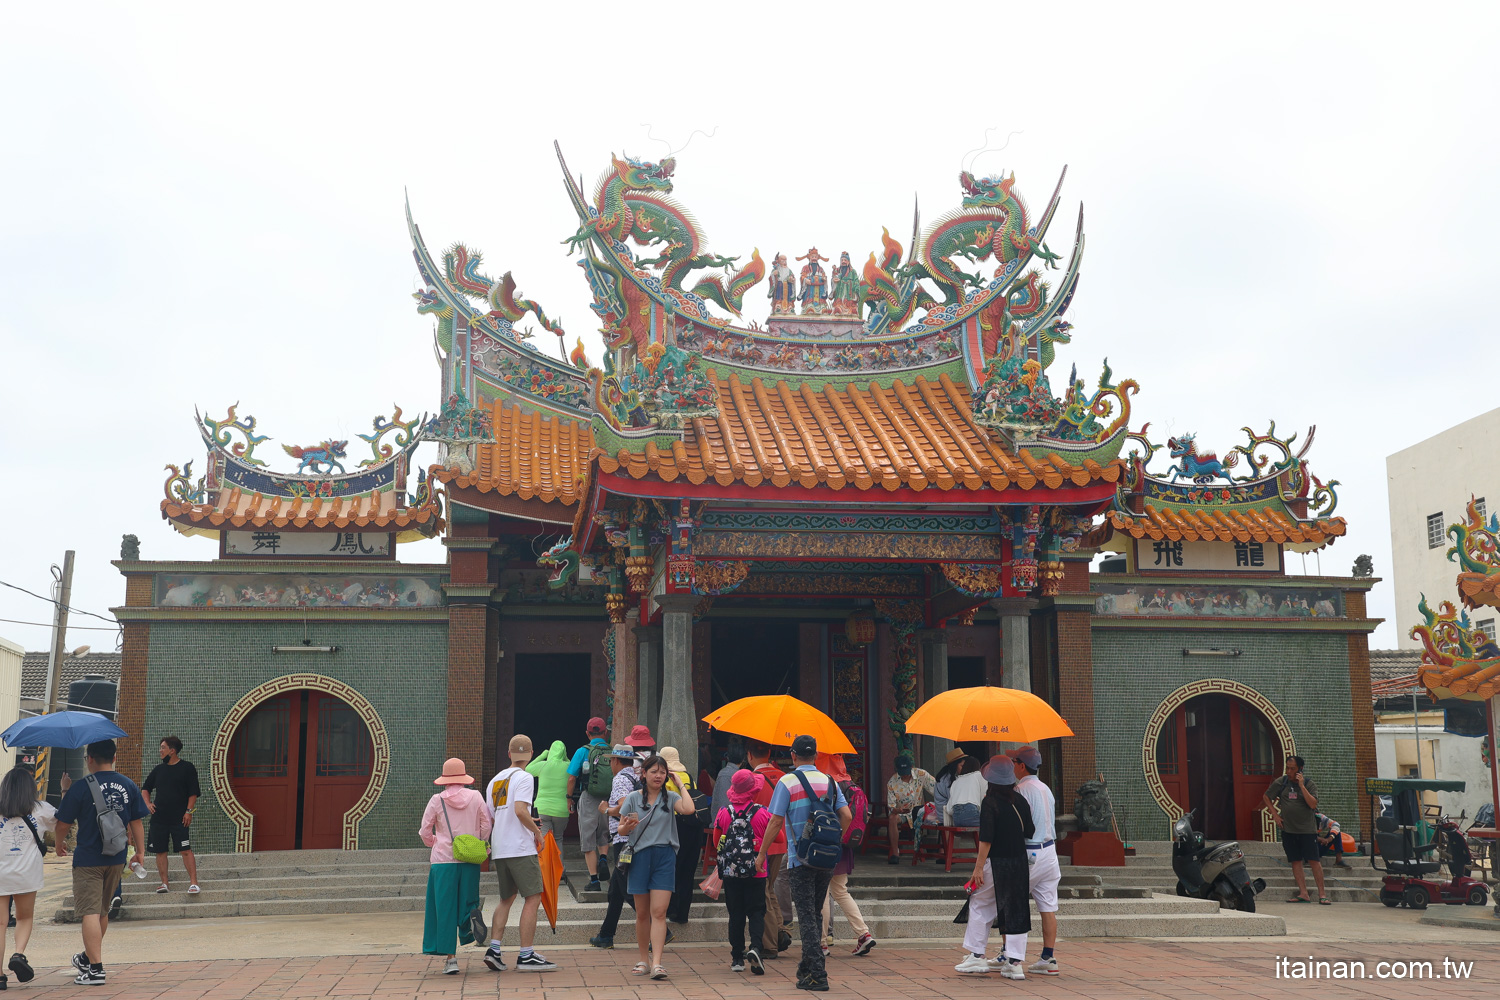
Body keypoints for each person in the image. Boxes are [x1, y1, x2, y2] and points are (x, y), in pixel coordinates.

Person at [755, 735, 852, 993]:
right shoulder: (829, 781)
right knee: (815, 912)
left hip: (800, 858)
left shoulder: (787, 782)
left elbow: (775, 822)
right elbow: (847, 815)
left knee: (807, 916)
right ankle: (806, 969)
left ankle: (818, 974)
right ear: (816, 755)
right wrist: (833, 840)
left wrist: (762, 854)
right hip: (827, 858)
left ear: (793, 755)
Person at [53, 739, 148, 986]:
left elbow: (62, 823)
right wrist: (140, 852)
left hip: (88, 859)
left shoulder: (82, 787)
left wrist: (59, 843)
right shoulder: (128, 785)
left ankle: (95, 969)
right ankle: (87, 958)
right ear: (114, 758)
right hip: (116, 858)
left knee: (90, 912)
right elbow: (137, 822)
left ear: (90, 759)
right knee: (102, 911)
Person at [614, 754, 697, 980]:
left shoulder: (670, 797)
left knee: (659, 912)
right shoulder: (632, 798)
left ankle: (657, 963)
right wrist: (627, 826)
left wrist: (680, 783)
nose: (658, 776)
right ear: (644, 774)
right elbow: (620, 830)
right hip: (639, 856)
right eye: (654, 771)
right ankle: (643, 959)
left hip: (665, 857)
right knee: (642, 914)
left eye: (662, 772)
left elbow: (689, 809)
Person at [481, 735, 557, 972]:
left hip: (501, 847)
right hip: (520, 848)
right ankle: (526, 954)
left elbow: (494, 816)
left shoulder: (494, 780)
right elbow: (520, 810)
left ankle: (494, 949)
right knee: (533, 897)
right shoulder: (524, 777)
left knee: (506, 898)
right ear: (531, 754)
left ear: (509, 753)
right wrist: (536, 832)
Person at [956, 755, 1034, 979]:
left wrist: (977, 868)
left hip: (996, 862)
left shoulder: (989, 802)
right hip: (1018, 862)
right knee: (1017, 908)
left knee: (980, 903)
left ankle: (977, 956)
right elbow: (1029, 830)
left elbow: (986, 839)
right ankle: (1015, 963)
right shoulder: (1020, 801)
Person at [420, 758, 493, 975]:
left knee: (443, 907)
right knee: (468, 900)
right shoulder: (476, 796)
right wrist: (475, 842)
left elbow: (425, 830)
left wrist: (435, 842)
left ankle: (450, 959)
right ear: (463, 778)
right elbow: (487, 824)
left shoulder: (436, 800)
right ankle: (468, 921)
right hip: (470, 860)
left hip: (443, 862)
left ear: (444, 779)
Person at [0, 765, 55, 988]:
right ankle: (18, 955)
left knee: (0, 923)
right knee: (23, 917)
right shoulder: (41, 809)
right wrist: (65, 791)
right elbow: (60, 823)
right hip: (26, 874)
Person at [817, 753, 876, 958]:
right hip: (844, 846)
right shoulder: (850, 785)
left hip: (827, 843)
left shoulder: (826, 785)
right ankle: (863, 934)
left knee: (822, 892)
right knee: (841, 890)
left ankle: (822, 943)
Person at [713, 769, 771, 974]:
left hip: (731, 871)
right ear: (753, 791)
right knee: (756, 912)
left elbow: (716, 841)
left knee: (735, 913)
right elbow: (779, 838)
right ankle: (755, 948)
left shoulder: (723, 812)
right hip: (757, 870)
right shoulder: (762, 813)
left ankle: (737, 957)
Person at [1011, 746, 1061, 976]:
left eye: (1014, 761)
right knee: (1048, 907)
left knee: (1013, 903)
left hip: (1031, 852)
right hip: (1050, 853)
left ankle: (1009, 956)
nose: (1012, 765)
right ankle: (1048, 957)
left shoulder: (1021, 789)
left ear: (1022, 765)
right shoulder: (1045, 788)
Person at [589, 745, 642, 949]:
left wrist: (606, 810)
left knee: (626, 887)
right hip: (631, 839)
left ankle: (659, 929)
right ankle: (606, 935)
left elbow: (625, 806)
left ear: (616, 761)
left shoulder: (620, 778)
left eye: (611, 761)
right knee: (616, 891)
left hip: (623, 842)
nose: (610, 764)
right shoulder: (635, 778)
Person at [1262, 755, 1329, 904]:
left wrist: (1302, 786)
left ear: (1300, 769)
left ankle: (1322, 894)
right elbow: (1266, 797)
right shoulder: (1281, 782)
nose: (1289, 771)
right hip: (1289, 830)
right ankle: (1303, 893)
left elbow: (1313, 804)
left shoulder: (1309, 784)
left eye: (1293, 769)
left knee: (1313, 860)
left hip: (1307, 830)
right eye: (1288, 768)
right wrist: (1275, 815)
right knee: (1295, 860)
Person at [745, 740, 789, 957]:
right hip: (781, 841)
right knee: (769, 889)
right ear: (770, 753)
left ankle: (769, 944)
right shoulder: (784, 777)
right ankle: (780, 931)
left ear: (749, 755)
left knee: (761, 893)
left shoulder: (751, 780)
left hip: (759, 843)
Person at [141, 736, 201, 895]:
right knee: (160, 851)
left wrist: (189, 812)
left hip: (179, 818)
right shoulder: (158, 770)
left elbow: (193, 793)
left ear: (172, 751)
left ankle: (194, 883)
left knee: (185, 849)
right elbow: (145, 788)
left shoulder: (187, 768)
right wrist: (148, 804)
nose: (160, 751)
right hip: (159, 818)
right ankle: (164, 883)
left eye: (163, 747)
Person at [567, 718, 612, 891]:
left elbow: (571, 777)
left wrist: (568, 798)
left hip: (588, 797)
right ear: (605, 733)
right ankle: (603, 858)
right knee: (603, 833)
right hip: (608, 799)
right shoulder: (612, 750)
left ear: (587, 733)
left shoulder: (582, 751)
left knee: (588, 839)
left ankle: (594, 881)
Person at [659, 747, 702, 925]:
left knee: (672, 869)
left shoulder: (665, 779)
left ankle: (671, 909)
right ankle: (683, 914)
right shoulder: (689, 777)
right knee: (688, 871)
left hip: (675, 826)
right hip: (694, 826)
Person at [885, 754, 935, 863]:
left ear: (911, 767)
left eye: (906, 772)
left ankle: (942, 851)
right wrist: (898, 810)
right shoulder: (892, 782)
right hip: (902, 813)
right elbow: (891, 806)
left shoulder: (921, 774)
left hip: (919, 811)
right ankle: (895, 853)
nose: (905, 776)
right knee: (892, 818)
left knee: (942, 814)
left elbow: (936, 789)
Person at [525, 739, 571, 846]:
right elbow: (575, 768)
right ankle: (559, 863)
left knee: (544, 838)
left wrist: (543, 755)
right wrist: (564, 757)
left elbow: (527, 769)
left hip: (543, 809)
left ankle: (545, 863)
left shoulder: (543, 765)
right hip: (561, 810)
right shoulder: (568, 766)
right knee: (558, 839)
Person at [708, 742, 746, 838]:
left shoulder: (724, 773)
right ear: (743, 759)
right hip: (726, 822)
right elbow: (725, 804)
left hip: (722, 818)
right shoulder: (733, 775)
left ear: (728, 757)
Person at [944, 757, 986, 828]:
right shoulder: (979, 776)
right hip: (972, 812)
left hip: (957, 819)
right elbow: (984, 799)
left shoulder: (956, 781)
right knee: (991, 826)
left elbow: (949, 810)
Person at [933, 747, 966, 821]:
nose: (964, 768)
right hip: (945, 817)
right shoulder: (947, 780)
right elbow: (953, 802)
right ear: (955, 765)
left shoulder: (950, 776)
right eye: (962, 766)